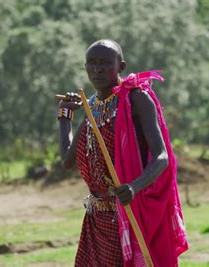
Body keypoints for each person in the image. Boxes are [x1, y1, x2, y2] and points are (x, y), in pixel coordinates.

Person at [58, 39, 188, 266]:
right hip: (96, 218)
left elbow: (162, 156)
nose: (97, 69)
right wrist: (65, 118)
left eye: (105, 63)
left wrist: (134, 186)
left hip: (129, 211)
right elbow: (68, 161)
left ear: (121, 66)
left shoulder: (136, 98)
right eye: (91, 63)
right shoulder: (93, 107)